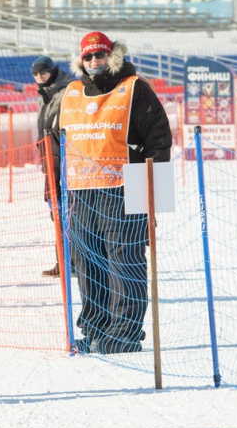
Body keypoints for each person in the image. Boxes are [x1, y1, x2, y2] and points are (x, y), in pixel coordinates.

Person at [59, 32, 172, 355]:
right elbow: (58, 141)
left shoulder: (135, 88)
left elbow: (159, 140)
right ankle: (95, 330)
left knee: (124, 262)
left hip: (126, 185)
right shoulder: (71, 92)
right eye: (89, 57)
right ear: (81, 61)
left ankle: (123, 334)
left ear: (113, 55)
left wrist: (153, 196)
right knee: (88, 262)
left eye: (100, 55)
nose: (95, 61)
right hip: (82, 191)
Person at [32, 55, 72, 278]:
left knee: (69, 212)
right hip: (50, 160)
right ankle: (62, 261)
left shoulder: (65, 91)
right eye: (36, 74)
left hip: (63, 159)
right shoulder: (43, 94)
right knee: (55, 212)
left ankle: (73, 262)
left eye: (43, 73)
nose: (40, 77)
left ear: (52, 71)